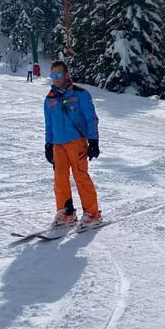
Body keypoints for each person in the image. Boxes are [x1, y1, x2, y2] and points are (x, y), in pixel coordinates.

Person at [44, 60, 102, 230]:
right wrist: (48, 144)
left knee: (80, 176)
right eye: (53, 75)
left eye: (59, 75)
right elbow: (49, 124)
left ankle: (92, 214)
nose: (56, 78)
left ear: (66, 75)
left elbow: (91, 119)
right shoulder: (50, 99)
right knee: (60, 178)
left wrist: (93, 140)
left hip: (77, 143)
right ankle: (66, 212)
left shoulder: (80, 94)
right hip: (58, 145)